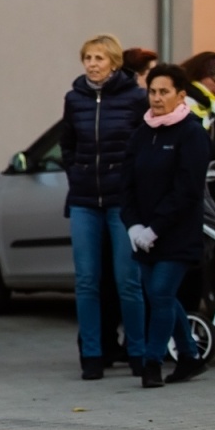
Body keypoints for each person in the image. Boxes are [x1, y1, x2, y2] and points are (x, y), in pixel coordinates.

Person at [60, 34, 148, 380]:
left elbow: (143, 145)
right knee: (86, 281)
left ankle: (138, 352)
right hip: (84, 200)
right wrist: (77, 171)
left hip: (121, 201)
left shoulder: (135, 98)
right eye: (88, 58)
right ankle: (92, 355)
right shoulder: (74, 98)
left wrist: (131, 181)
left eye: (99, 58)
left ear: (114, 62)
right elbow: (68, 144)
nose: (92, 64)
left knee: (128, 280)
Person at [122, 64, 212, 388]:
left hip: (177, 234)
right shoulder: (142, 133)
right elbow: (127, 185)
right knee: (162, 297)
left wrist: (155, 228)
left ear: (181, 95)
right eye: (153, 91)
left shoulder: (192, 133)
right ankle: (189, 356)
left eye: (164, 92)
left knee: (160, 293)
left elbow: (187, 190)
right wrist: (133, 226)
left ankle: (152, 362)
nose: (157, 98)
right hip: (144, 236)